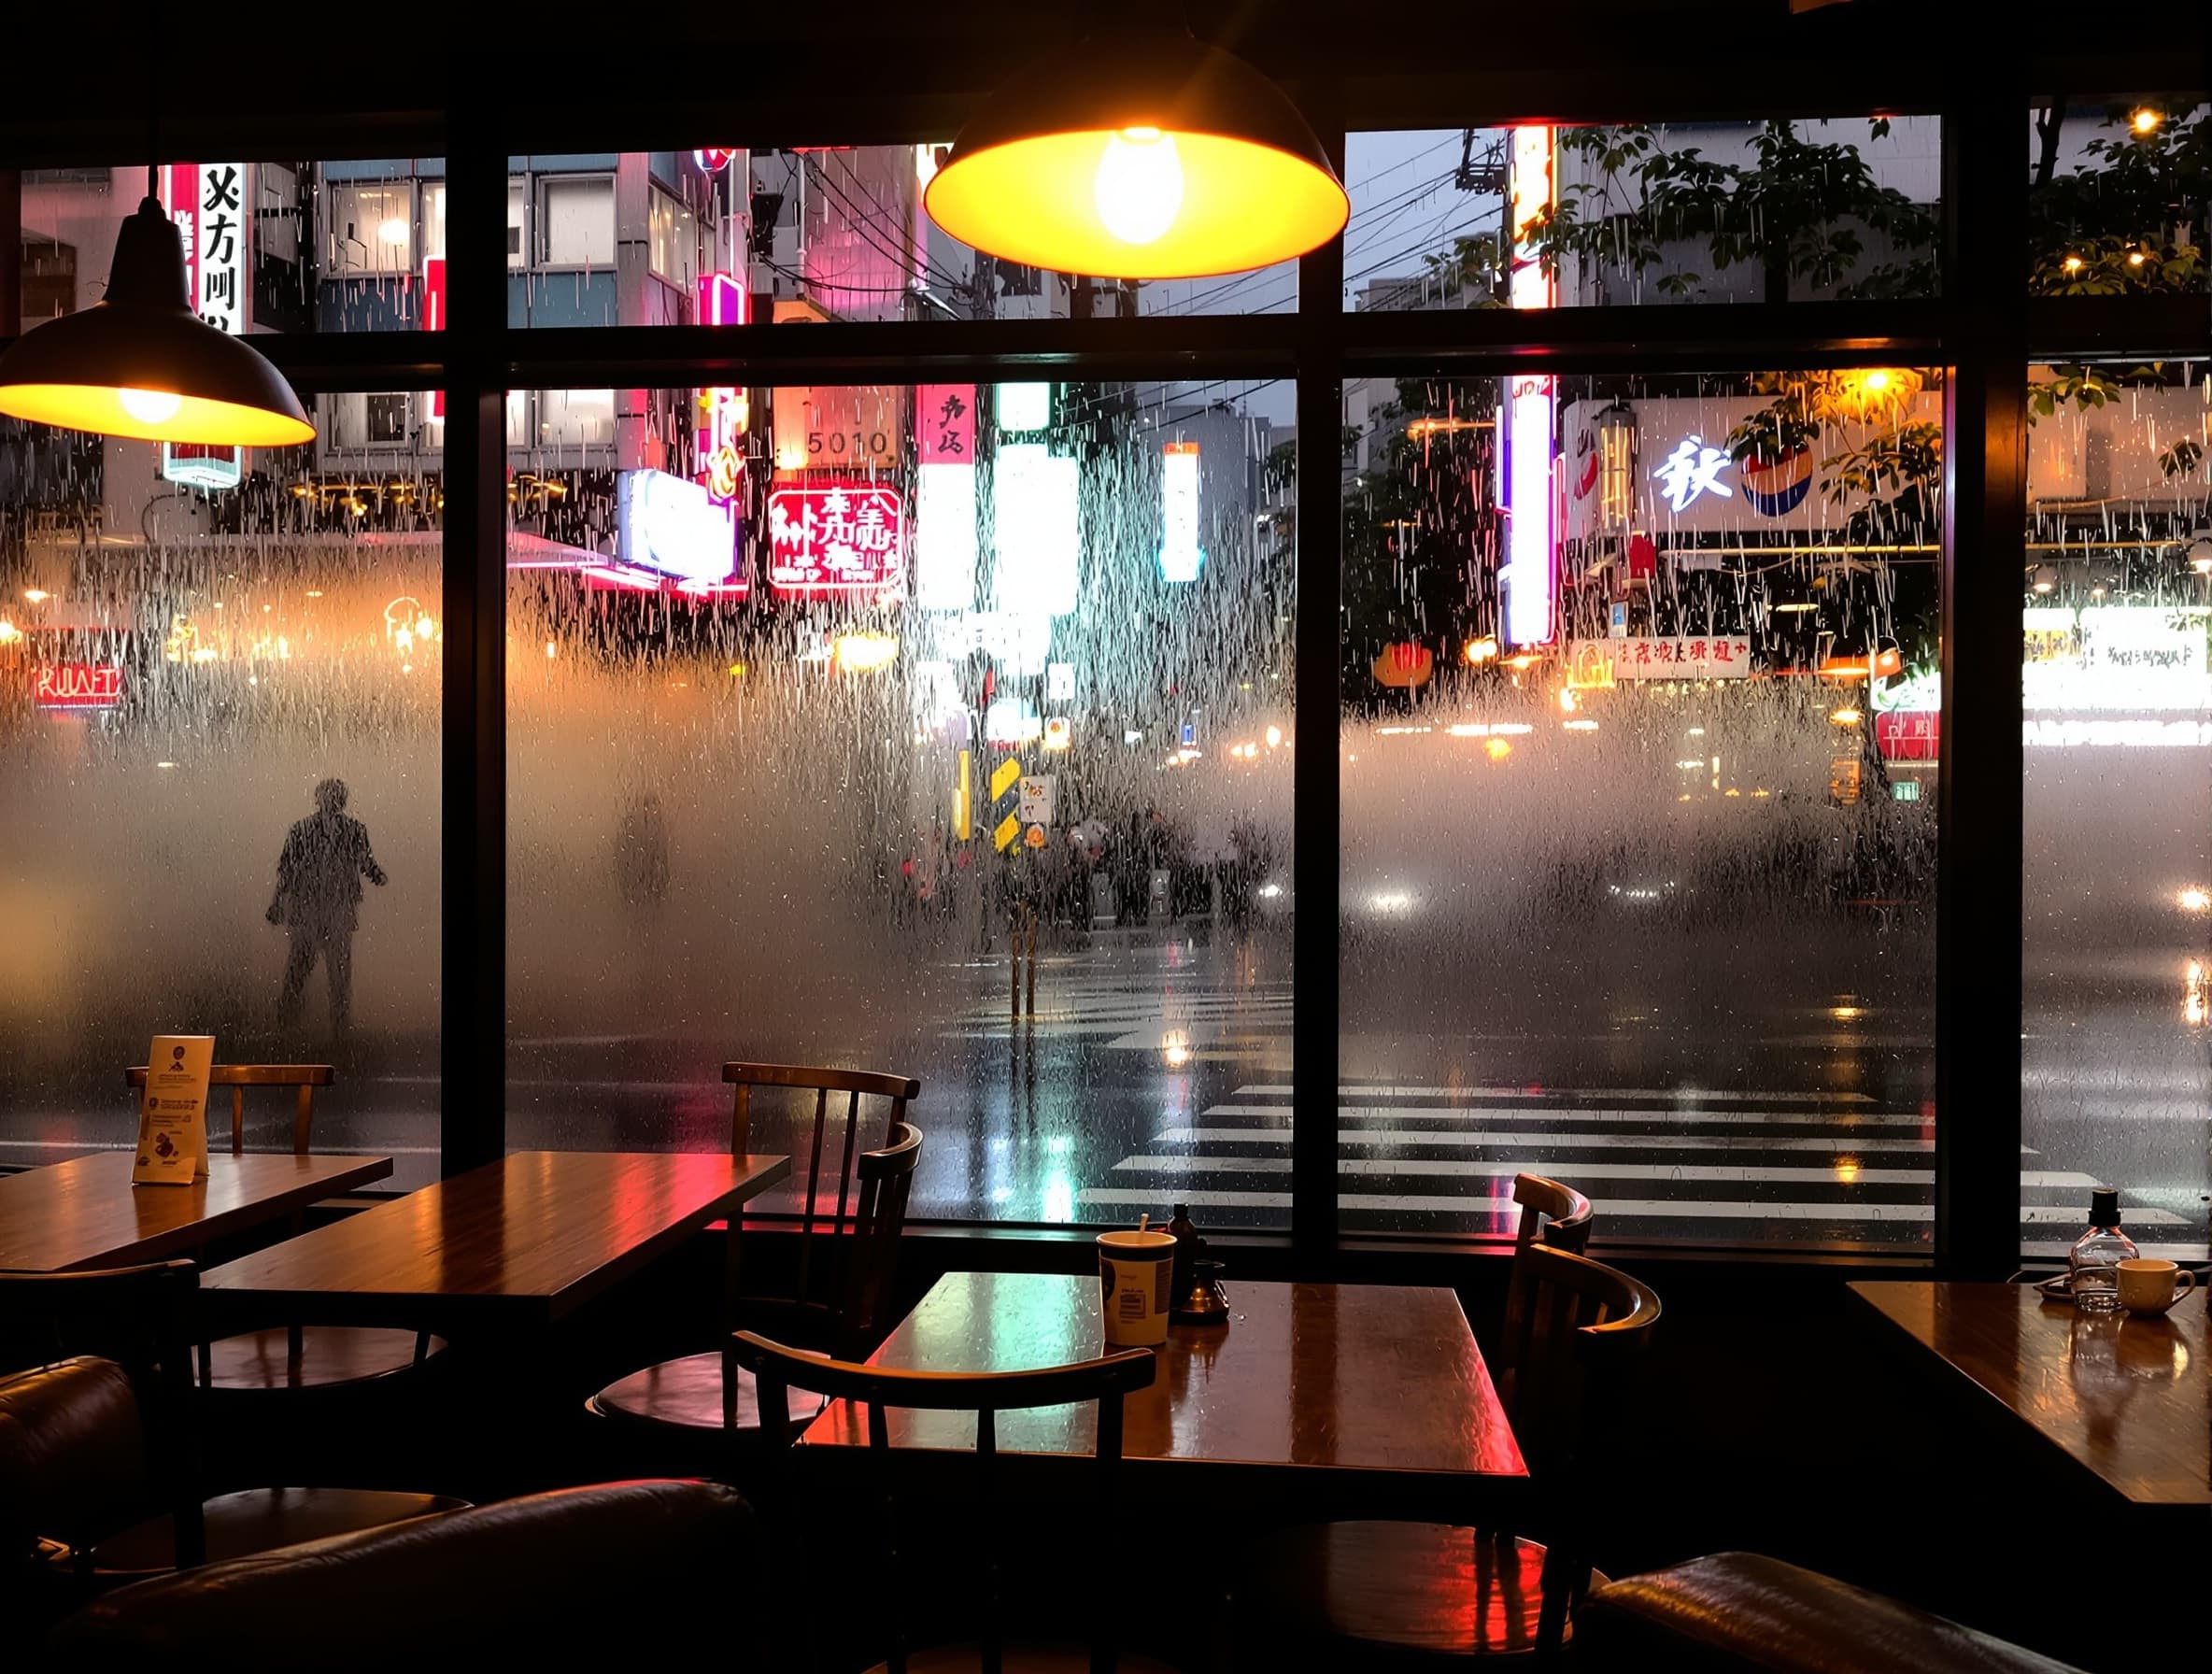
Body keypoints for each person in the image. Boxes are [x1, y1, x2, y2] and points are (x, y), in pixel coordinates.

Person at [268, 778, 387, 1037]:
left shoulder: (326, 830)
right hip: (316, 910)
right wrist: (277, 902)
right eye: (328, 795)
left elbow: (365, 861)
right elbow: (288, 869)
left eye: (334, 796)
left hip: (330, 910)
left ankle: (332, 1029)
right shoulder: (308, 830)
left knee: (331, 973)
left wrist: (376, 874)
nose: (331, 801)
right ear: (321, 799)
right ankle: (292, 1025)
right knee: (305, 969)